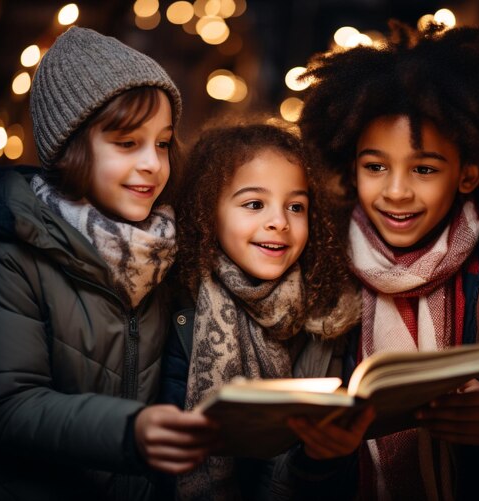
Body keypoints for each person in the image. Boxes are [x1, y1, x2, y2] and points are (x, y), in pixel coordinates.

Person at [282, 20, 479, 500]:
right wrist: (321, 454)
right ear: (351, 165)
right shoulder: (316, 259)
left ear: (468, 174)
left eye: (424, 168)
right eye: (375, 166)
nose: (397, 191)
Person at [0, 27, 218, 501]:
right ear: (72, 148)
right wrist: (132, 430)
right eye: (127, 144)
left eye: (162, 143)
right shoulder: (10, 253)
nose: (152, 163)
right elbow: (9, 406)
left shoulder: (164, 252)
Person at [157, 121, 369, 499]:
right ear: (209, 211)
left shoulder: (326, 316)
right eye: (254, 204)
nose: (279, 222)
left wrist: (321, 459)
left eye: (296, 206)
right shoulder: (177, 306)